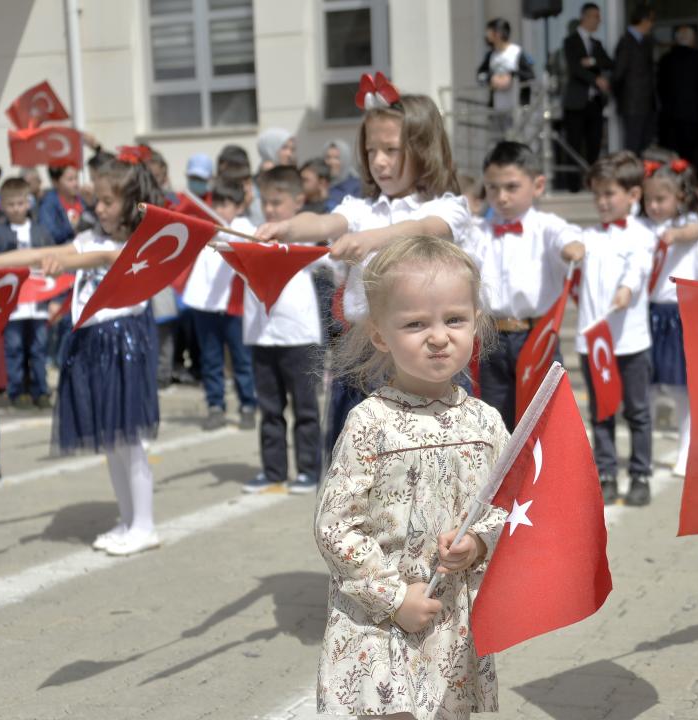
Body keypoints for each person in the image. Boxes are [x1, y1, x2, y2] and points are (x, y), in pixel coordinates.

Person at [315, 235, 508, 720]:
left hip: (451, 625)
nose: (438, 336)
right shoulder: (370, 422)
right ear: (381, 335)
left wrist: (480, 544)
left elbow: (509, 505)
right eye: (416, 323)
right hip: (378, 623)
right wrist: (394, 597)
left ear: (476, 325)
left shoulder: (485, 422)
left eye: (455, 319)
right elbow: (335, 527)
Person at [0, 152, 167, 557]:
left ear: (132, 203)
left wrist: (61, 261)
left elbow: (95, 259)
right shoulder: (89, 237)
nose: (97, 208)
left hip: (123, 343)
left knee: (129, 439)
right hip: (91, 342)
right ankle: (127, 520)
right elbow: (39, 256)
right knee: (111, 439)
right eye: (97, 200)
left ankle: (146, 524)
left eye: (107, 201)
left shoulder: (136, 246)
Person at [253, 78, 471, 458]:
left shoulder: (446, 207)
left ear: (423, 149)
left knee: (416, 455)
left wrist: (372, 239)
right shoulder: (360, 207)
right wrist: (286, 228)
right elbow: (322, 223)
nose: (379, 161)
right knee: (357, 458)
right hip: (360, 355)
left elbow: (420, 230)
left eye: (391, 149)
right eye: (372, 151)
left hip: (417, 357)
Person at [464, 140, 580, 430]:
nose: (501, 197)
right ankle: (503, 475)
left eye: (511, 187)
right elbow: (461, 262)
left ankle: (539, 476)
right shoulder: (477, 231)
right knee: (494, 416)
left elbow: (568, 239)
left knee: (543, 417)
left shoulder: (547, 226)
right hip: (492, 336)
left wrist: (572, 248)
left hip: (537, 335)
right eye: (492, 188)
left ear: (537, 185)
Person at [561, 151, 654, 506]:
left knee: (637, 410)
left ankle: (640, 473)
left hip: (629, 342)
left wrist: (627, 290)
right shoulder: (587, 236)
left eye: (609, 194)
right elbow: (570, 257)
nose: (602, 201)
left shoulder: (641, 235)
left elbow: (638, 267)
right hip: (593, 341)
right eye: (597, 194)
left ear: (633, 195)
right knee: (602, 411)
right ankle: (606, 472)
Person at [239, 166, 324, 496]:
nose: (270, 209)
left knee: (305, 407)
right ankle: (273, 469)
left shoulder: (306, 237)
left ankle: (309, 469)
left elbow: (333, 260)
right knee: (269, 408)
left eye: (278, 202)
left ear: (298, 201)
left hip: (299, 336)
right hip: (261, 335)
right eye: (266, 202)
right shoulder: (250, 233)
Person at [638, 155, 698, 476]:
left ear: (679, 196)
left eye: (661, 199)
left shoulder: (686, 222)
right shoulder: (640, 227)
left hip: (677, 314)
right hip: (646, 312)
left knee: (680, 388)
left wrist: (674, 236)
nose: (654, 205)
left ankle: (686, 449)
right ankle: (644, 452)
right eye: (649, 199)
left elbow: (695, 229)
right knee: (645, 389)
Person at [181, 178, 259, 432]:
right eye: (218, 204)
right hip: (204, 304)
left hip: (234, 306)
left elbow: (248, 248)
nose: (222, 209)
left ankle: (248, 404)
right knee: (211, 358)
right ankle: (215, 405)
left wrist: (225, 230)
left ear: (238, 206)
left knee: (241, 358)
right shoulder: (208, 225)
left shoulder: (245, 226)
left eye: (227, 205)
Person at [0, 178, 55, 408]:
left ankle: (41, 389)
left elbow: (54, 263)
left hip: (38, 302)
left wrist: (55, 298)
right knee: (14, 347)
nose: (17, 208)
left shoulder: (40, 231)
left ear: (28, 203)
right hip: (13, 303)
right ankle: (17, 390)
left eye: (20, 203)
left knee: (39, 348)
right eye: (11, 204)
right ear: (3, 206)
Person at [559, 3, 613, 192]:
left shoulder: (597, 45)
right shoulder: (570, 41)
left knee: (594, 144)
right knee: (574, 144)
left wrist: (591, 61)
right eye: (596, 17)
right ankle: (572, 186)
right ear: (586, 17)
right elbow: (574, 68)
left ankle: (593, 184)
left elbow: (608, 62)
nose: (599, 21)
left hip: (594, 104)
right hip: (575, 103)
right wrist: (595, 79)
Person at [657, 24, 698, 170]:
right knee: (692, 151)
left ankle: (675, 180)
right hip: (692, 114)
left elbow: (659, 87)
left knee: (672, 152)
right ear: (692, 40)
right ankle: (691, 179)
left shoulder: (666, 59)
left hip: (670, 115)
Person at [477, 17, 535, 137]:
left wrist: (511, 76)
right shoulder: (491, 55)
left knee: (515, 140)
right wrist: (491, 78)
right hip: (497, 109)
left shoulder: (517, 52)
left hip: (516, 109)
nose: (487, 36)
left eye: (489, 32)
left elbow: (530, 75)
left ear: (498, 33)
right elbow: (480, 75)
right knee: (497, 142)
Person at [612, 3, 657, 155]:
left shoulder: (646, 42)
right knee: (633, 145)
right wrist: (622, 99)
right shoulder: (626, 42)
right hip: (632, 105)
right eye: (651, 20)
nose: (652, 24)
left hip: (647, 104)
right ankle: (631, 177)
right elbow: (618, 74)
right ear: (643, 20)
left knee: (644, 145)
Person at [37, 164, 88, 245]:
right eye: (70, 180)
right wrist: (72, 227)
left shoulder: (83, 198)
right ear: (55, 182)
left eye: (76, 178)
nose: (76, 183)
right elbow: (48, 234)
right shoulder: (48, 205)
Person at [324, 139, 362, 207]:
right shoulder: (321, 183)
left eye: (336, 158)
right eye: (328, 157)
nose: (331, 162)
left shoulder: (356, 186)